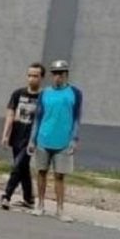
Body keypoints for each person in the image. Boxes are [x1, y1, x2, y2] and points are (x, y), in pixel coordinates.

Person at [28, 59, 83, 223]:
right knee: (41, 172)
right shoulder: (45, 93)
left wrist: (74, 139)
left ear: (66, 74)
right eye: (54, 74)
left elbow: (77, 118)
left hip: (63, 141)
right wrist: (32, 139)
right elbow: (38, 118)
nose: (57, 77)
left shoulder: (75, 93)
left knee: (60, 175)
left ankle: (60, 209)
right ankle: (40, 204)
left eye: (60, 74)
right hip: (44, 138)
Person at [0, 63, 45, 210]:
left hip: (31, 138)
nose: (31, 79)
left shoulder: (44, 97)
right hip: (17, 135)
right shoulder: (18, 94)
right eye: (29, 75)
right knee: (23, 167)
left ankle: (7, 195)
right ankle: (29, 198)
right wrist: (5, 134)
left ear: (41, 78)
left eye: (35, 76)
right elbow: (10, 114)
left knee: (18, 166)